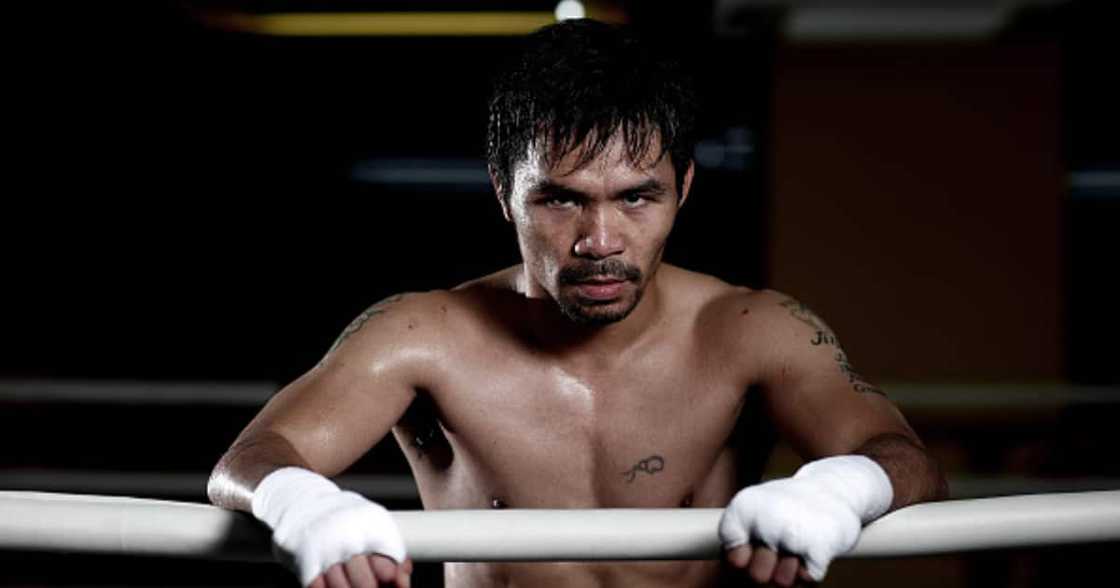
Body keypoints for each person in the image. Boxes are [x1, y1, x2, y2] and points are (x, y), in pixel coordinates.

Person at [207, 18, 947, 588]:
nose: (599, 239)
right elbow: (251, 459)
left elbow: (908, 462)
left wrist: (840, 490)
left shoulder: (752, 332)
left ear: (682, 189)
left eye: (636, 198)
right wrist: (304, 505)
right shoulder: (420, 335)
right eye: (560, 199)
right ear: (505, 194)